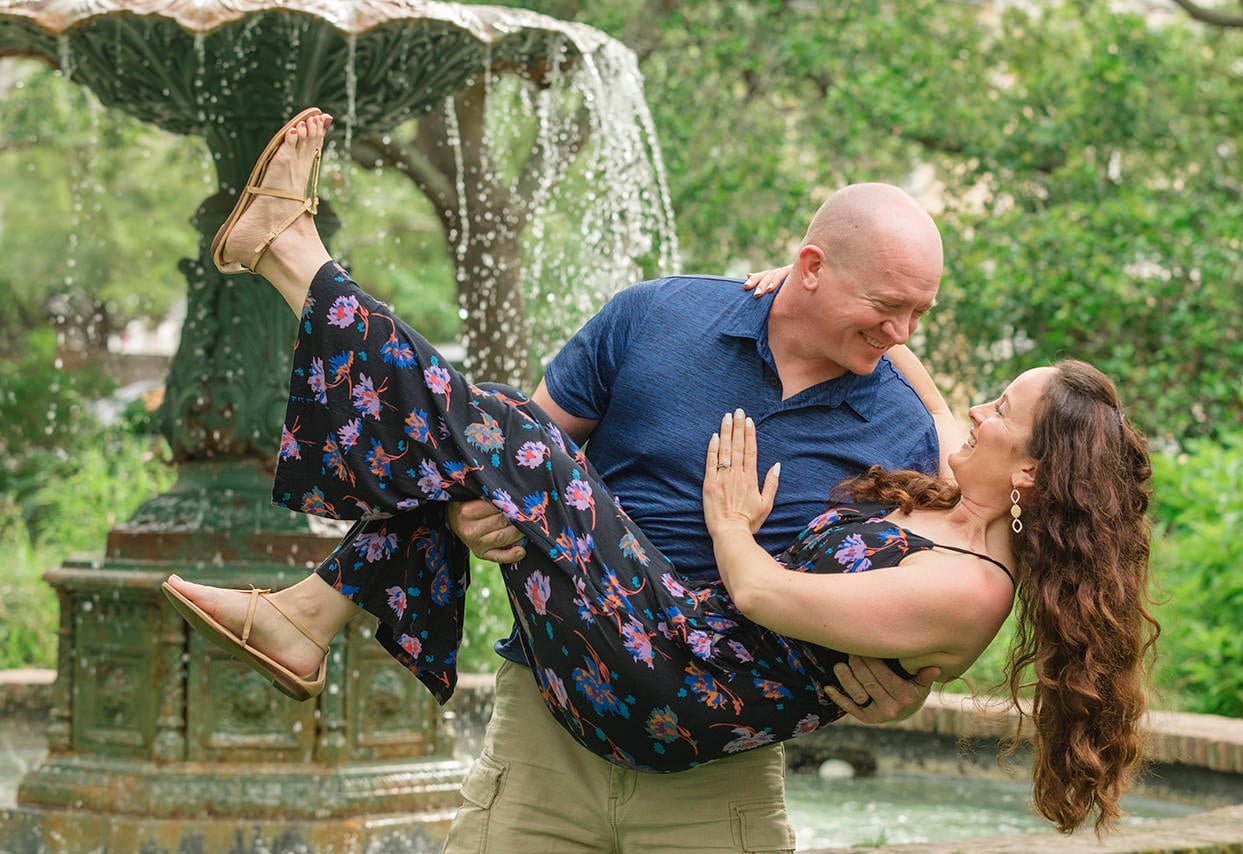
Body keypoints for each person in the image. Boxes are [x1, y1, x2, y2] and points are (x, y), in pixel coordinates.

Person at [162, 110, 1156, 841]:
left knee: (516, 443)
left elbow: (798, 596)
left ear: (1029, 470)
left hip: (689, 708)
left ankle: (296, 258)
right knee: (510, 437)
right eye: (888, 304)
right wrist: (470, 515)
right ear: (808, 267)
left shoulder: (941, 506)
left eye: (917, 316)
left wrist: (886, 669)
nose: (909, 341)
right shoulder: (677, 322)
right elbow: (933, 389)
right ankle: (301, 613)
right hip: (566, 705)